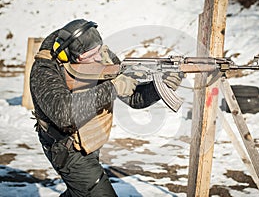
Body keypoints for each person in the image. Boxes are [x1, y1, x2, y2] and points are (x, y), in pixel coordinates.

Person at [30, 19, 182, 196]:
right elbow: (64, 114)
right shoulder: (44, 69)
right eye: (89, 56)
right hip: (65, 146)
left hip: (89, 138)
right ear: (68, 55)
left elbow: (134, 98)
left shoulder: (102, 53)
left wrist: (159, 87)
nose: (98, 59)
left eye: (99, 51)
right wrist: (113, 87)